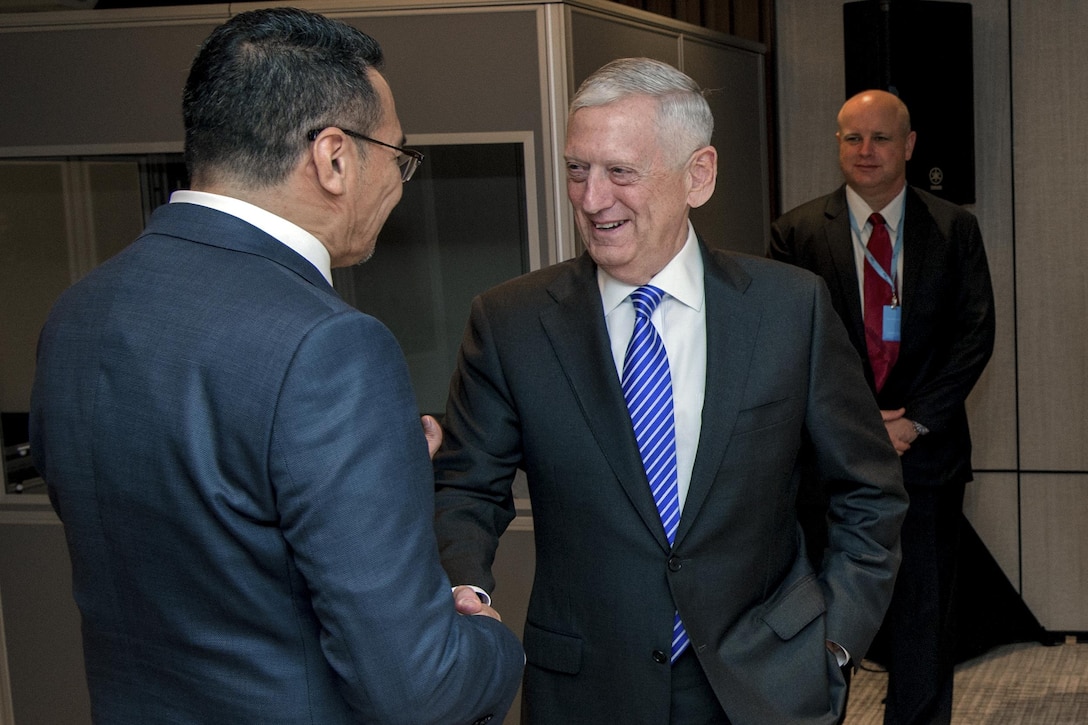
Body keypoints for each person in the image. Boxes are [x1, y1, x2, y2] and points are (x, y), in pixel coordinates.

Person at [29, 8, 523, 724]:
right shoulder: (333, 347)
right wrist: (491, 637)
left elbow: (188, 527)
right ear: (333, 158)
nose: (399, 182)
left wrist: (368, 472)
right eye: (398, 155)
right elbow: (420, 687)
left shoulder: (78, 313)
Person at [433, 57, 908, 724]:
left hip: (766, 682)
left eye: (620, 172)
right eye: (577, 169)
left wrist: (832, 644)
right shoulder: (511, 322)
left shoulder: (787, 309)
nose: (592, 199)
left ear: (699, 175)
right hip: (588, 690)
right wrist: (466, 583)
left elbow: (869, 490)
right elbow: (466, 485)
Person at [770, 89, 996, 725]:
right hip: (828, 465)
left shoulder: (954, 229)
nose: (865, 151)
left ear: (910, 146)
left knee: (925, 617)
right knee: (820, 621)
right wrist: (861, 427)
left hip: (927, 458)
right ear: (837, 144)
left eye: (880, 138)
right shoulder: (794, 233)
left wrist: (915, 420)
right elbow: (789, 345)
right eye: (851, 138)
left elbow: (975, 333)